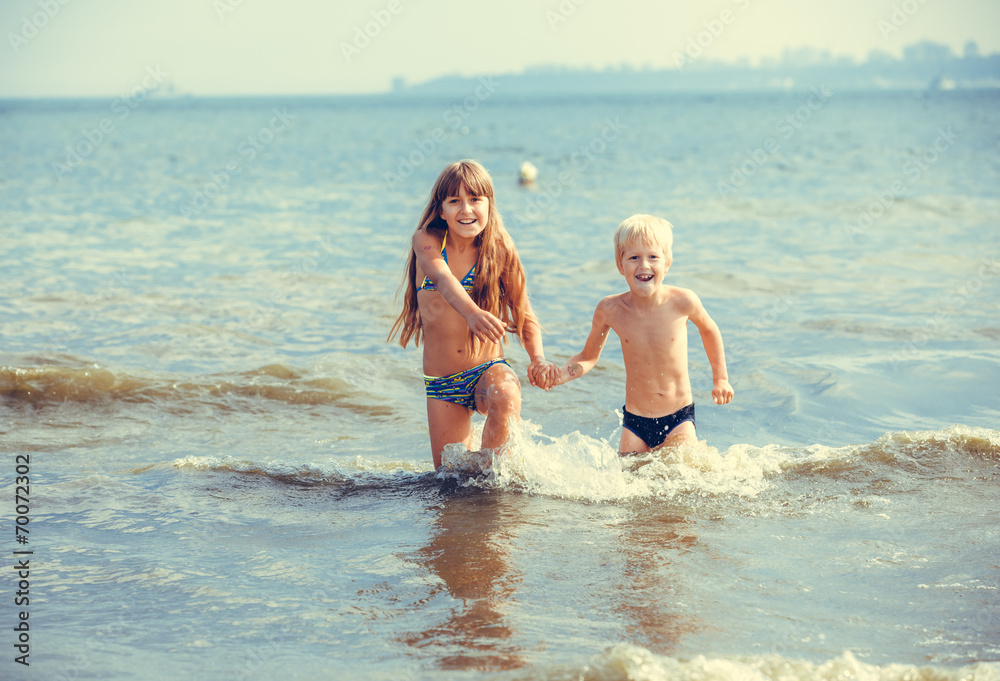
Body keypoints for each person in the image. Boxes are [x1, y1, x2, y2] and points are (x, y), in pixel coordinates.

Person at [388, 160, 555, 469]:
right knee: (453, 483)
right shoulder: (426, 241)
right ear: (441, 210)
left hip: (487, 370)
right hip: (443, 383)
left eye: (475, 199)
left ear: (489, 204)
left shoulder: (500, 248)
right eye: (455, 201)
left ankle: (498, 485)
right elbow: (442, 278)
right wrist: (472, 313)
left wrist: (537, 359)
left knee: (505, 395)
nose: (466, 209)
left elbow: (523, 311)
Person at [539, 214, 734, 453]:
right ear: (620, 265)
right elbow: (588, 357)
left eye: (653, 257)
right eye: (634, 257)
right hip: (635, 421)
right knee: (628, 482)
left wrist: (721, 379)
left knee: (686, 480)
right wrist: (560, 375)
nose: (644, 265)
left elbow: (709, 330)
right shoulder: (610, 310)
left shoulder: (683, 301)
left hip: (678, 418)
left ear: (667, 263)